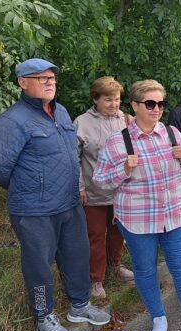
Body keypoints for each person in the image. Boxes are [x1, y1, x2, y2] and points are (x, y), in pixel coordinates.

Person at [0, 58, 110, 331]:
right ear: (23, 83)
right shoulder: (12, 121)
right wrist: (30, 189)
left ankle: (79, 306)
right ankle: (43, 316)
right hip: (34, 210)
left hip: (68, 202)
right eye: (41, 78)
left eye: (52, 77)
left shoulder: (61, 112)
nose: (49, 81)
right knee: (38, 264)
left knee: (77, 256)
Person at [93, 80, 181, 331]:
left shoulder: (173, 133)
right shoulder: (119, 142)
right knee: (144, 271)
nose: (156, 109)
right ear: (135, 105)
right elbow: (101, 181)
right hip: (138, 221)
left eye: (160, 104)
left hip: (176, 216)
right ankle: (158, 317)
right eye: (150, 104)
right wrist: (124, 170)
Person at [75, 76, 134, 299]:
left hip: (121, 190)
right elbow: (74, 158)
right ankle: (96, 280)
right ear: (95, 99)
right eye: (108, 100)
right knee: (96, 236)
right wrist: (80, 187)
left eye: (117, 99)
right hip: (94, 191)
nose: (114, 104)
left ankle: (116, 266)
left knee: (118, 231)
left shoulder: (126, 120)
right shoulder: (82, 123)